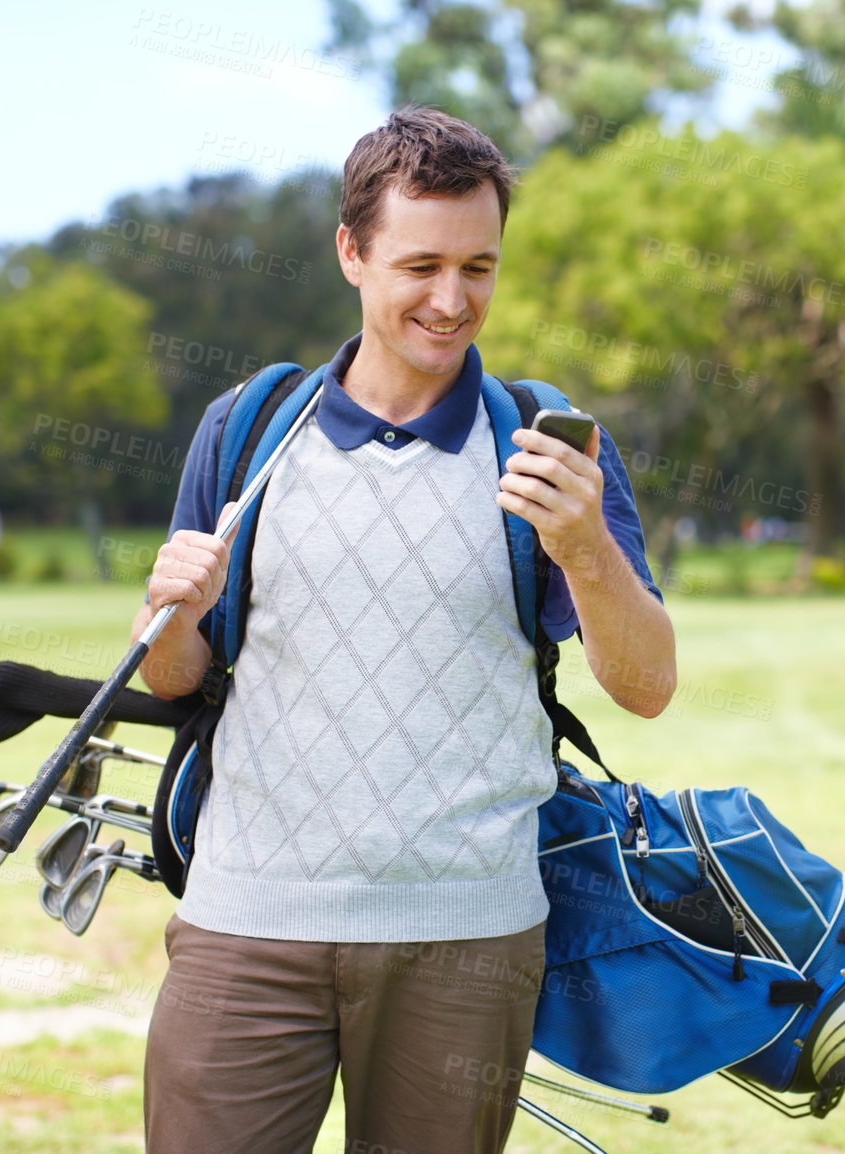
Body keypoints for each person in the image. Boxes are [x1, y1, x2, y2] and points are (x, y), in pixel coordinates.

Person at [132, 105, 677, 1154]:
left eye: (479, 267)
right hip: (248, 920)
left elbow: (646, 684)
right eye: (420, 264)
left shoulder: (539, 436)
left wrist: (584, 548)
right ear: (350, 251)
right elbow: (173, 678)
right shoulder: (247, 429)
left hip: (467, 938)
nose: (451, 299)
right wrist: (172, 612)